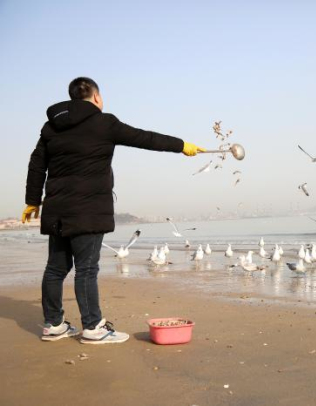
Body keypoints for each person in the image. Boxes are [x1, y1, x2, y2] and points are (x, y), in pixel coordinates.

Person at [22, 77, 205, 344]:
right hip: (88, 210)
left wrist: (32, 201)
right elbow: (145, 138)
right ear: (96, 97)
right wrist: (182, 145)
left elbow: (36, 165)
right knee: (86, 269)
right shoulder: (103, 122)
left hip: (58, 211)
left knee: (55, 269)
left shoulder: (51, 127)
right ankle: (93, 328)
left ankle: (53, 325)